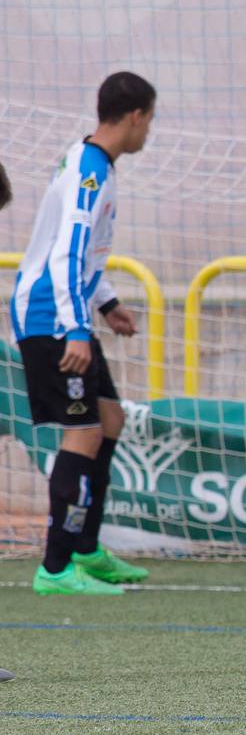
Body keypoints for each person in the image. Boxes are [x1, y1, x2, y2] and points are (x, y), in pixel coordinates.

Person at [13, 72, 156, 597]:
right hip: (53, 317)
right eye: (151, 120)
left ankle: (86, 548)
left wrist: (108, 303)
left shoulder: (92, 162)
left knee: (109, 420)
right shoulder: (89, 172)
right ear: (137, 115)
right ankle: (54, 568)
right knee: (84, 432)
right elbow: (65, 254)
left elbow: (83, 254)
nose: (149, 132)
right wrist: (77, 328)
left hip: (69, 311)